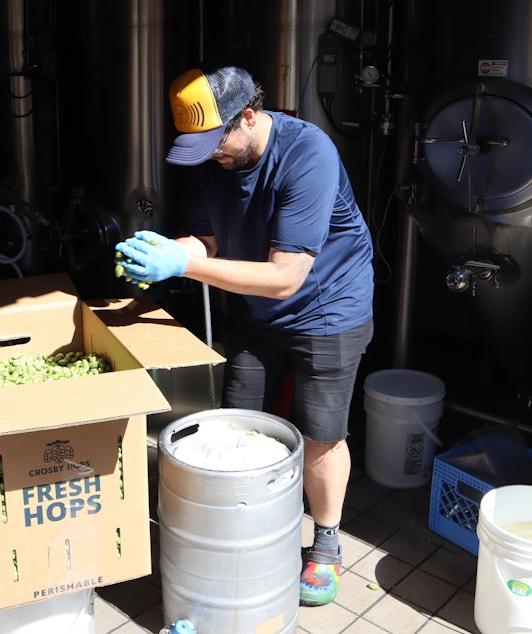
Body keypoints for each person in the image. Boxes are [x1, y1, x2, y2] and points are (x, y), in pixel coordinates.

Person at [115, 64, 374, 607]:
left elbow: (286, 277)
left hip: (328, 308)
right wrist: (165, 253)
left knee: (320, 432)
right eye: (199, 146)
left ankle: (325, 545)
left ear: (250, 116)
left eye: (217, 142)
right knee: (241, 424)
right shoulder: (212, 158)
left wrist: (183, 267)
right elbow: (205, 241)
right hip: (256, 312)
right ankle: (253, 529)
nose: (211, 155)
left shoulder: (309, 154)